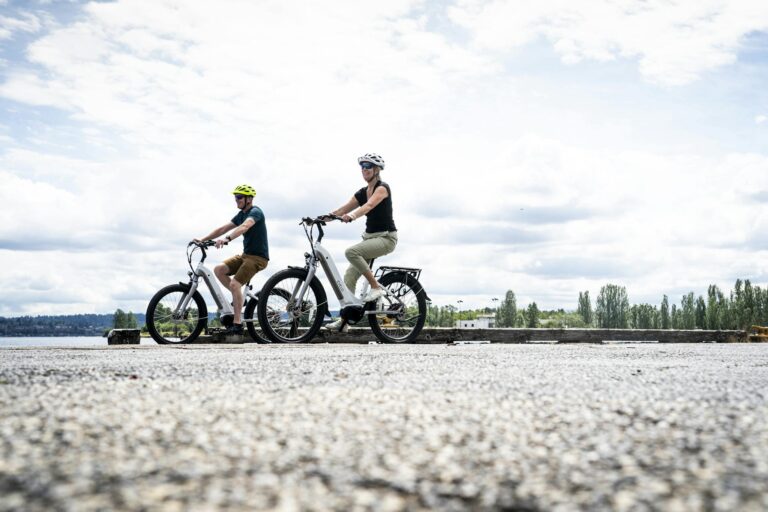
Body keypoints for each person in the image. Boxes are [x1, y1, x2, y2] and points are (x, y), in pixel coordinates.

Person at [326, 153, 398, 330]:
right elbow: (343, 208)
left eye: (368, 166)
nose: (364, 169)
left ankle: (376, 287)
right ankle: (344, 321)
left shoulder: (382, 188)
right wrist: (324, 217)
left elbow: (368, 206)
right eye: (362, 166)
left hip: (386, 238)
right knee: (348, 277)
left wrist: (352, 216)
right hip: (369, 238)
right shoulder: (361, 192)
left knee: (351, 252)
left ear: (377, 169)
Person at [195, 184, 269, 335]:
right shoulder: (241, 214)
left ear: (249, 199)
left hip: (258, 258)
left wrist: (227, 239)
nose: (236, 200)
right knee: (219, 269)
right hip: (245, 255)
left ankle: (237, 324)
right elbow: (223, 228)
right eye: (235, 197)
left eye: (239, 197)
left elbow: (244, 227)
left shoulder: (255, 212)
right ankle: (240, 298)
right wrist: (203, 239)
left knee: (235, 284)